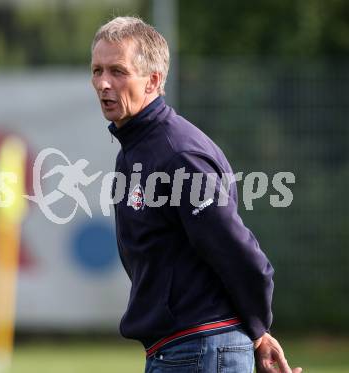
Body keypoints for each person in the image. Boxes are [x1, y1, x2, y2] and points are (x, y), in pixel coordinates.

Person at [90, 16, 302, 373]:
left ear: (153, 81)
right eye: (97, 70)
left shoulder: (178, 155)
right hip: (182, 349)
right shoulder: (135, 147)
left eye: (118, 71)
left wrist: (259, 328)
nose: (103, 84)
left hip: (200, 350)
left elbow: (236, 250)